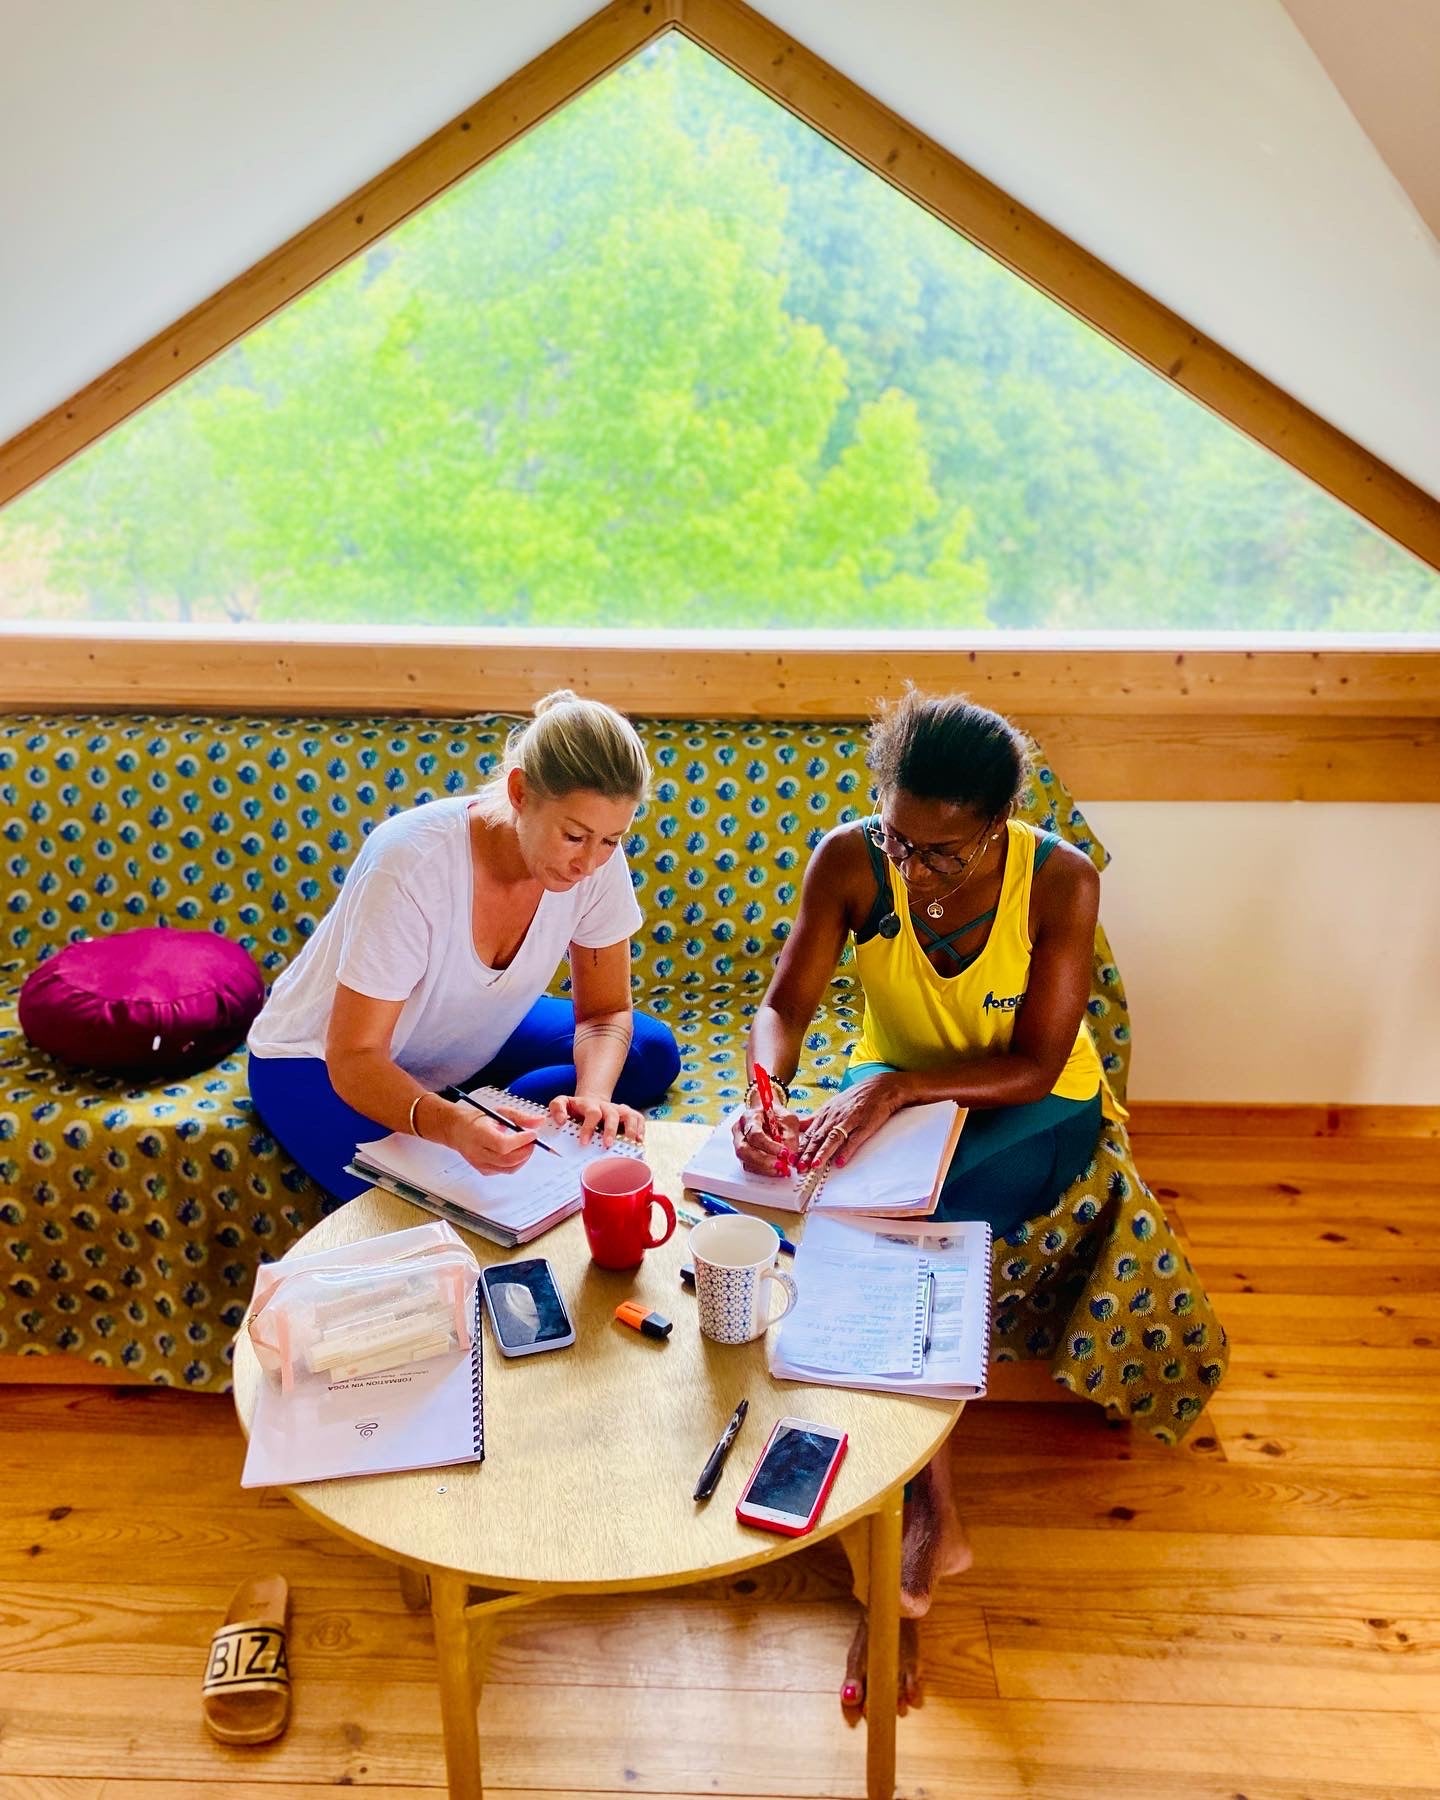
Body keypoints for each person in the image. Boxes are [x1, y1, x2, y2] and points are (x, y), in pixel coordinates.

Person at [731, 688, 1116, 1711]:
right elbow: (783, 1008)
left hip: (1027, 1106)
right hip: (896, 1090)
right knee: (828, 1212)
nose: (910, 868)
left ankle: (903, 1536)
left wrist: (899, 1088)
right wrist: (765, 1091)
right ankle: (930, 1506)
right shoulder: (849, 860)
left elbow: (1037, 1064)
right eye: (898, 839)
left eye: (942, 854)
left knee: (906, 1236)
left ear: (999, 825)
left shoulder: (1059, 881)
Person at [247, 690, 680, 1201]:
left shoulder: (595, 859)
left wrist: (592, 1099)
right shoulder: (411, 863)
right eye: (573, 836)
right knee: (421, 1206)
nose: (589, 864)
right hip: (322, 1063)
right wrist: (449, 1125)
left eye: (611, 840)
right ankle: (476, 1118)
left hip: (463, 1038)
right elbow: (355, 1056)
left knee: (649, 1052)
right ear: (520, 792)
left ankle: (499, 1116)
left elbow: (605, 1014)